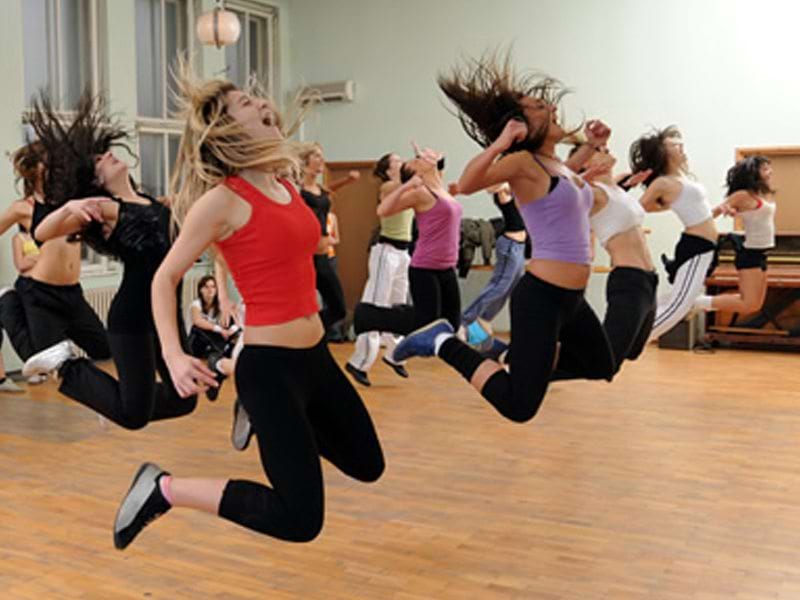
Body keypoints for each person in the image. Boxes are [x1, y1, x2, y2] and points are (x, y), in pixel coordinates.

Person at [113, 74, 384, 550]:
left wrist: (234, 281)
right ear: (225, 128)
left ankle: (261, 421)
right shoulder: (221, 200)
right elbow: (164, 279)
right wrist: (175, 357)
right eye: (245, 102)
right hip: (270, 372)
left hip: (316, 358)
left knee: (368, 463)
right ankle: (164, 488)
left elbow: (255, 245)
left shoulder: (284, 184)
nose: (262, 102)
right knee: (300, 520)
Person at [390, 51, 615, 424]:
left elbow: (568, 185)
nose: (552, 109)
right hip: (543, 296)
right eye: (539, 107)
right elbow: (472, 180)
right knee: (518, 407)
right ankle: (443, 342)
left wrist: (593, 145)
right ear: (521, 126)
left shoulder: (556, 165)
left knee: (599, 364)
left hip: (571, 299)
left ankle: (512, 358)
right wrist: (501, 142)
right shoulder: (523, 163)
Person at [24, 92, 197, 430]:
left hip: (167, 313)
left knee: (184, 398)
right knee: (134, 417)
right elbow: (42, 233)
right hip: (132, 319)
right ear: (97, 181)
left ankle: (108, 397)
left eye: (106, 153)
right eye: (101, 160)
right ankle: (66, 365)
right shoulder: (104, 209)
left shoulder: (153, 203)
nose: (108, 156)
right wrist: (69, 208)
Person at [629, 126, 722, 341]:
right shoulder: (663, 182)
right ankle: (629, 343)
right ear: (662, 152)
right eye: (674, 145)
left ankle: (628, 334)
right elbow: (636, 210)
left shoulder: (681, 178)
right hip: (696, 246)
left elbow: (698, 212)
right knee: (678, 307)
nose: (681, 147)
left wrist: (718, 211)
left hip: (705, 246)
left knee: (675, 300)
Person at [693, 155, 776, 315]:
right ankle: (696, 303)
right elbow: (712, 214)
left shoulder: (757, 195)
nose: (770, 172)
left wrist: (735, 212)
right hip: (750, 253)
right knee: (747, 303)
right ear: (753, 173)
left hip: (762, 253)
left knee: (755, 305)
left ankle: (702, 303)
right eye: (765, 169)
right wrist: (726, 209)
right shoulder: (742, 195)